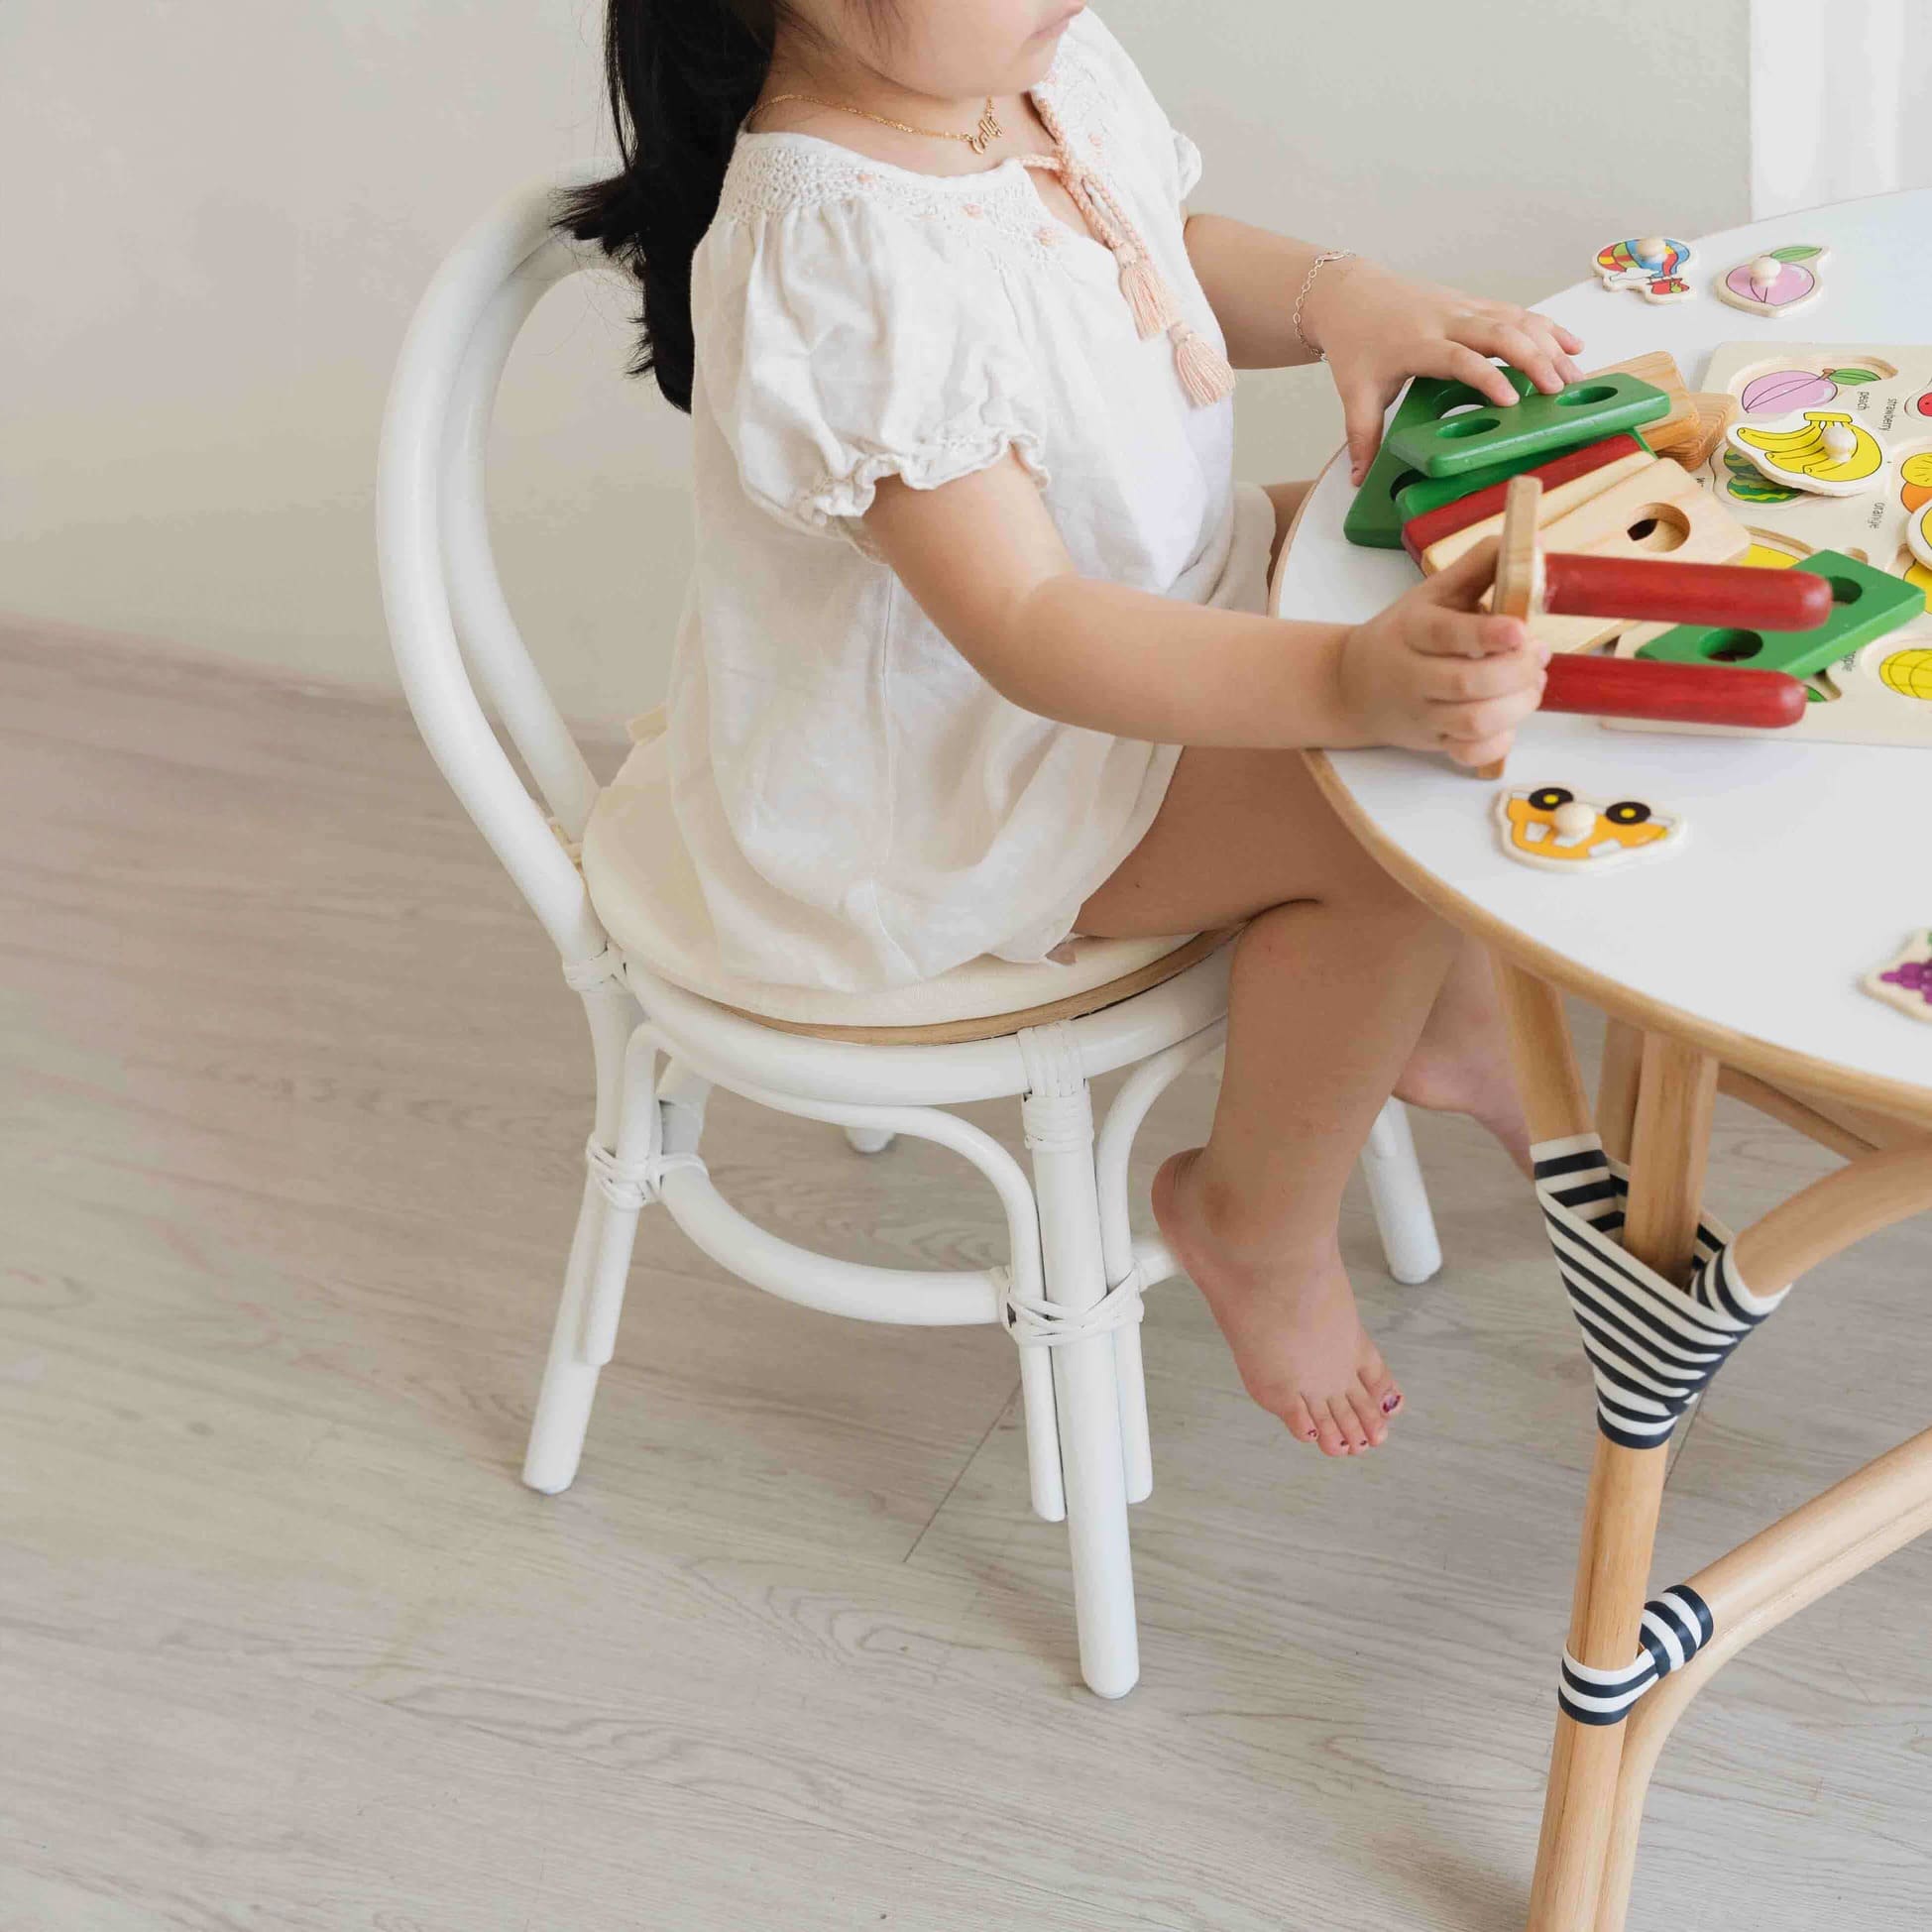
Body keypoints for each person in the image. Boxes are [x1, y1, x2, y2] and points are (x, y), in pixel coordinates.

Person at [560, 0, 1583, 1458]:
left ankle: (1442, 1014)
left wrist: (1337, 295)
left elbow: (1141, 248)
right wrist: (1344, 686)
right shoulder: (837, 249)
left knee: (1448, 546)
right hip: (958, 771)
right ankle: (1254, 1222)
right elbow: (1029, 625)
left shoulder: (1023, 60)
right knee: (1371, 812)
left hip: (1145, 593)